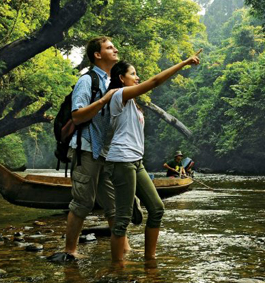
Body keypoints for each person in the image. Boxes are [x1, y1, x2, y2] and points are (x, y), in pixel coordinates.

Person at [105, 50, 201, 264]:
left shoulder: (134, 104)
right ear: (122, 78)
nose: (137, 77)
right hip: (121, 161)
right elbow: (155, 81)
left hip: (136, 163)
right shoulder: (118, 95)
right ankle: (117, 270)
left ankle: (150, 262)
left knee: (157, 209)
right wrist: (183, 62)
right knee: (122, 219)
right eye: (133, 73)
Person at [57, 36, 121, 261]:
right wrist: (104, 100)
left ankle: (124, 250)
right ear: (97, 54)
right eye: (109, 47)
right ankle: (70, 250)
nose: (115, 50)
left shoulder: (114, 81)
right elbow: (77, 115)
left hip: (107, 152)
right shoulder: (87, 80)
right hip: (86, 150)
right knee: (82, 202)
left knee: (113, 206)